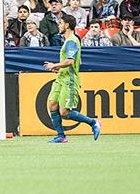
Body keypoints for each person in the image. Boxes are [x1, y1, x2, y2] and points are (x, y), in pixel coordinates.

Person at [43, 14, 101, 144]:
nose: (59, 26)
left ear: (67, 25)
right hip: (61, 78)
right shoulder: (68, 41)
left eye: (60, 23)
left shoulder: (72, 41)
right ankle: (61, 136)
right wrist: (59, 69)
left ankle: (93, 122)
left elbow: (70, 61)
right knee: (52, 104)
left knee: (64, 112)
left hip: (69, 80)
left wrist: (55, 65)